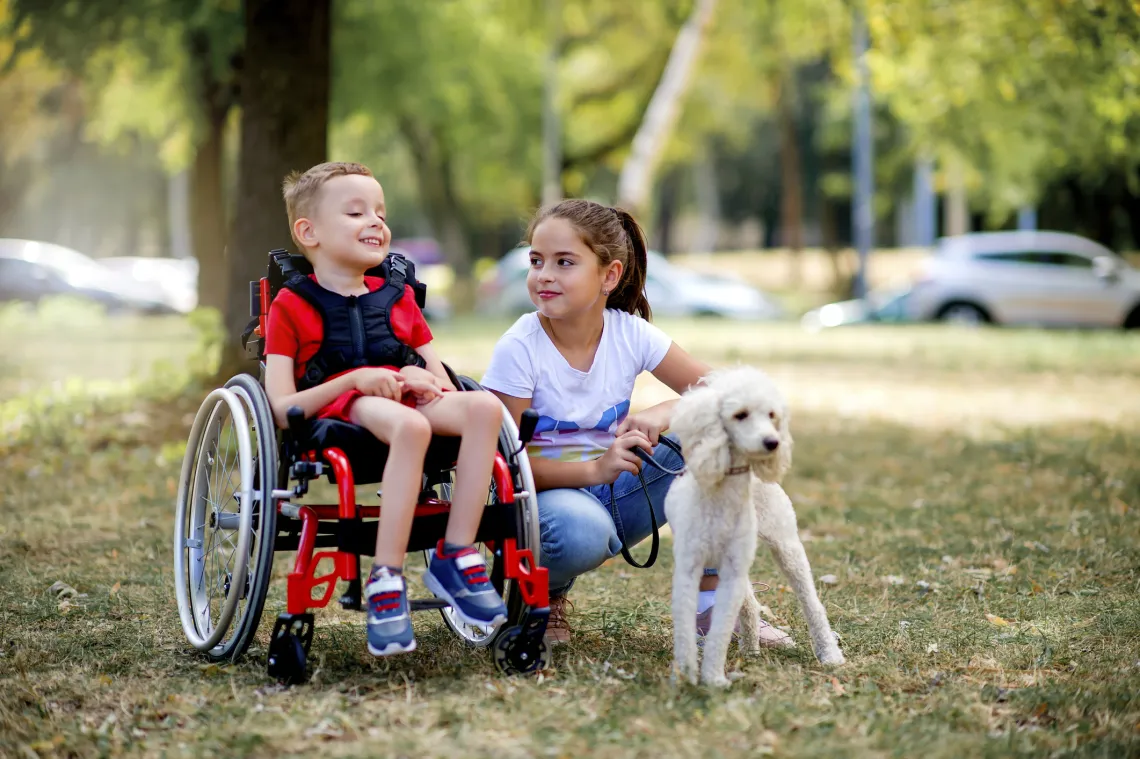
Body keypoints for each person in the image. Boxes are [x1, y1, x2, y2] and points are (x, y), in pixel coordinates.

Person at [481, 199, 790, 647]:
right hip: (541, 501)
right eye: (536, 260)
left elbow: (726, 391)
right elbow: (506, 465)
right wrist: (594, 470)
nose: (544, 275)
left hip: (613, 491)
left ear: (609, 275)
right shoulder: (520, 347)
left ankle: (712, 608)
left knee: (717, 428)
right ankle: (542, 598)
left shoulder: (629, 332)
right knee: (582, 531)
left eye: (564, 262)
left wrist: (662, 413)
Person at [263, 161, 507, 657]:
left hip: (405, 400)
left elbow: (442, 381)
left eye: (380, 211)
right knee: (411, 425)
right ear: (307, 232)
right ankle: (386, 578)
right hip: (340, 412)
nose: (376, 221)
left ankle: (456, 553)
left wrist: (421, 376)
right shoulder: (290, 305)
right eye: (356, 212)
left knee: (483, 408)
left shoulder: (398, 299)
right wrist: (352, 381)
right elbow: (281, 405)